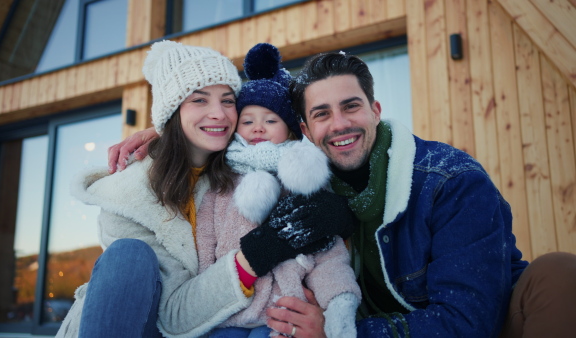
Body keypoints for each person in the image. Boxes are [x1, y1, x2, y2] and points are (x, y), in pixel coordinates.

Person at [110, 48, 576, 338]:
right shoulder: (301, 177)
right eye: (322, 114)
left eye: (351, 107)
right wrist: (166, 134)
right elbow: (244, 134)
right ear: (305, 132)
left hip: (457, 325)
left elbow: (469, 321)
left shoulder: (448, 180)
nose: (339, 125)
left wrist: (341, 330)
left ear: (375, 109)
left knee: (560, 274)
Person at [56, 40, 354, 338]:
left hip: (234, 322)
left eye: (227, 101)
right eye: (199, 100)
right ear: (173, 112)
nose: (219, 114)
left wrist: (337, 214)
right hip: (141, 325)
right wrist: (263, 249)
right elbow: (172, 314)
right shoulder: (126, 198)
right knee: (128, 255)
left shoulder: (239, 164)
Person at [196, 43, 361, 338]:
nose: (258, 128)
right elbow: (205, 243)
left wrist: (339, 301)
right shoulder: (221, 175)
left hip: (283, 315)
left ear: (292, 130)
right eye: (247, 121)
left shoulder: (303, 182)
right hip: (228, 315)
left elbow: (328, 255)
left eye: (271, 120)